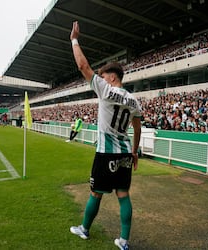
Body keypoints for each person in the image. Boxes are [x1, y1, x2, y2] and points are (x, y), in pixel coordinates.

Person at [69, 21, 142, 250]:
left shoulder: (106, 89)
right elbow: (137, 128)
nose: (100, 77)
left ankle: (84, 229)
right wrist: (134, 152)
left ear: (111, 77)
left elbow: (82, 66)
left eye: (103, 74)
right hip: (124, 155)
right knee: (123, 195)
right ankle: (124, 241)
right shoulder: (134, 100)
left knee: (95, 193)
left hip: (105, 154)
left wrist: (74, 39)